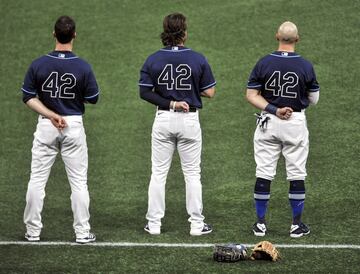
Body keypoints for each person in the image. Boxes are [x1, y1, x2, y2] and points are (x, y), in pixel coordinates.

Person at [21, 15, 99, 243]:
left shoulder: (38, 64)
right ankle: (83, 233)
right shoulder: (82, 66)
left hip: (47, 125)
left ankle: (32, 232)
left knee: (37, 180)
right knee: (78, 182)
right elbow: (93, 98)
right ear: (74, 35)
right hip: (73, 125)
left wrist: (51, 114)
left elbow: (28, 97)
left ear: (54, 34)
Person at [139, 13, 216, 236]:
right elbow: (210, 91)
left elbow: (144, 92)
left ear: (165, 31)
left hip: (163, 118)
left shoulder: (153, 59)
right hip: (189, 120)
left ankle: (153, 224)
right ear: (184, 32)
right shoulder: (197, 58)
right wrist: (189, 92)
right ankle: (196, 224)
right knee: (192, 174)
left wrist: (170, 102)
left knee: (158, 173)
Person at [246, 21, 320, 238]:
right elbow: (314, 99)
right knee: (296, 173)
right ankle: (296, 226)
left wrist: (274, 109)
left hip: (269, 121)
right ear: (297, 39)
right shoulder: (305, 65)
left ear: (277, 35)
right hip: (295, 123)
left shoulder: (264, 62)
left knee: (264, 172)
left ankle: (260, 224)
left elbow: (251, 95)